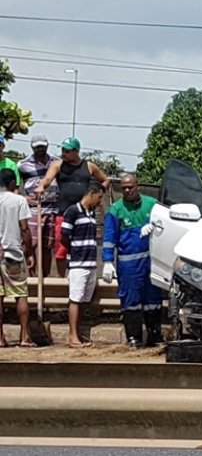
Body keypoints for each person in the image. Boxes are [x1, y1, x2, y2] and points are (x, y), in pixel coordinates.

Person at [34, 137, 110, 277]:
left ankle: (81, 277)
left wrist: (99, 193)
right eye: (63, 150)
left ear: (76, 151)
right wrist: (41, 186)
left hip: (84, 214)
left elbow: (105, 180)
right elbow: (47, 179)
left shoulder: (89, 166)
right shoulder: (58, 165)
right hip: (64, 213)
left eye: (67, 151)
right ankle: (62, 280)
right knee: (61, 249)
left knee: (84, 246)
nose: (64, 153)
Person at [103, 174, 162, 347]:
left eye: (131, 187)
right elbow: (109, 238)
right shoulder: (116, 210)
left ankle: (155, 337)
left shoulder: (152, 205)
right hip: (129, 266)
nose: (128, 190)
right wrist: (107, 261)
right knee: (131, 301)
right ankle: (134, 338)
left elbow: (166, 224)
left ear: (138, 186)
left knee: (153, 300)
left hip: (151, 263)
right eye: (124, 188)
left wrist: (154, 226)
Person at [60, 180, 105, 348]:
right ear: (91, 194)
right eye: (99, 197)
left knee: (84, 299)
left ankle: (78, 333)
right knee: (75, 299)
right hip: (78, 263)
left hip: (91, 262)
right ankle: (72, 336)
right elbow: (64, 236)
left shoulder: (91, 213)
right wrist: (74, 250)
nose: (100, 201)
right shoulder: (73, 211)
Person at [0, 169, 35, 347]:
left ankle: (0, 338)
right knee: (20, 295)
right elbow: (25, 228)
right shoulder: (19, 200)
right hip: (13, 254)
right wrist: (29, 252)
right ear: (12, 183)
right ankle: (25, 337)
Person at [18, 134, 60, 277]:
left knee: (47, 246)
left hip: (52, 209)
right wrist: (23, 198)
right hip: (33, 210)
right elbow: (15, 185)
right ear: (32, 147)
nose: (40, 149)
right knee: (31, 244)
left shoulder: (56, 163)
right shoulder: (23, 165)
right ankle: (32, 277)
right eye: (37, 147)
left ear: (47, 146)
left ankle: (44, 278)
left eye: (42, 146)